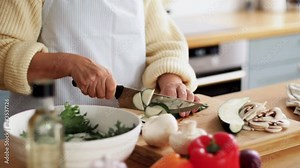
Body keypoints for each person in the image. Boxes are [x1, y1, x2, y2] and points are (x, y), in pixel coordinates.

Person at [0, 0, 199, 117]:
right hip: (49, 136)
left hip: (131, 133)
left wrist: (171, 81)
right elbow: (3, 48)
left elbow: (164, 44)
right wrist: (68, 63)